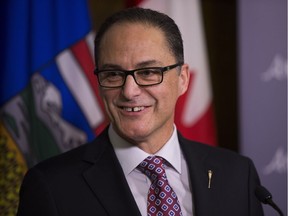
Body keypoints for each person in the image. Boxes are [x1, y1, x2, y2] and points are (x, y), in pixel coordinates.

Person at [17, 7, 264, 216]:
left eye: (148, 72)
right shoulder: (51, 187)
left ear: (183, 79)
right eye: (113, 74)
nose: (130, 91)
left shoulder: (238, 176)